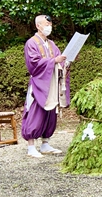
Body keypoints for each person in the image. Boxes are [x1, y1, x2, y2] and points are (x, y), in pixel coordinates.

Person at [22, 15, 70, 158]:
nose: (49, 26)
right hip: (39, 83)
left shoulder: (51, 44)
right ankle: (31, 146)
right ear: (38, 26)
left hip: (52, 84)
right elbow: (34, 63)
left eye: (50, 24)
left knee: (50, 114)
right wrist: (54, 60)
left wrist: (67, 61)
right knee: (35, 113)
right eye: (46, 24)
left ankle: (45, 143)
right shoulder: (31, 43)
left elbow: (59, 61)